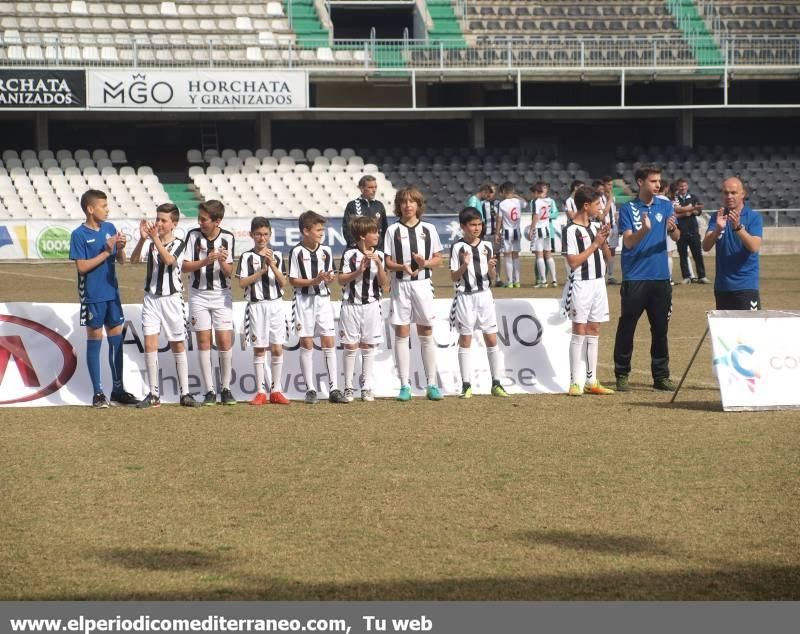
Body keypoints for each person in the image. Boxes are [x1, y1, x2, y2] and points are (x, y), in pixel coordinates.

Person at [69, 189, 139, 408]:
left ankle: (118, 389)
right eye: (103, 206)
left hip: (112, 294)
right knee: (95, 339)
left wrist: (120, 249)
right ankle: (98, 393)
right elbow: (82, 268)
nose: (107, 210)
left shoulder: (110, 228)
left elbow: (122, 261)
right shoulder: (78, 235)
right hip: (92, 296)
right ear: (91, 209)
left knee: (116, 340)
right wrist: (107, 251)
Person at [613, 166, 680, 392]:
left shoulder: (666, 205)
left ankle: (661, 376)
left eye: (659, 181)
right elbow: (629, 242)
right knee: (627, 326)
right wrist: (644, 229)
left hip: (661, 278)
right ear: (641, 182)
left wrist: (672, 230)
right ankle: (622, 373)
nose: (658, 185)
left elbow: (677, 235)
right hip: (635, 277)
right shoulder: (628, 208)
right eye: (653, 181)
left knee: (660, 329)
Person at [130, 203, 200, 408]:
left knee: (177, 344)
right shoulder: (152, 242)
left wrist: (153, 239)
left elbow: (169, 260)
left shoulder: (179, 242)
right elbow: (133, 260)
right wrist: (143, 239)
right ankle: (153, 394)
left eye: (163, 220)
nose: (158, 223)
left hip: (172, 299)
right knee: (150, 344)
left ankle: (185, 393)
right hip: (151, 298)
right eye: (157, 219)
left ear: (174, 224)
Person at [384, 186, 444, 401]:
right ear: (399, 206)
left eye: (412, 201)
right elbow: (388, 262)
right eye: (404, 201)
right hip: (400, 286)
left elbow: (439, 259)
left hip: (422, 285)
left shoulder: (429, 229)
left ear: (419, 205)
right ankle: (404, 386)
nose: (408, 205)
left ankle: (431, 384)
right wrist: (402, 267)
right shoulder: (392, 231)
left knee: (426, 331)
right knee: (401, 332)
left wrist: (424, 262)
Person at [449, 207, 509, 399]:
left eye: (479, 224)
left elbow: (491, 277)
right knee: (465, 339)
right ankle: (466, 385)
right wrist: (465, 265)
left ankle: (496, 383)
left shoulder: (487, 246)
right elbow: (453, 276)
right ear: (463, 227)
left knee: (491, 338)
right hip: (465, 297)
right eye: (473, 225)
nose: (477, 228)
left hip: (484, 295)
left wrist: (492, 269)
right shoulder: (457, 247)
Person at [288, 211, 348, 405]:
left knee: (328, 342)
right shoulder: (297, 252)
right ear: (306, 231)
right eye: (318, 229)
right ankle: (310, 389)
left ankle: (334, 388)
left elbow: (329, 277)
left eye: (323, 229)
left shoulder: (326, 251)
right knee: (306, 343)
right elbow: (293, 280)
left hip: (322, 300)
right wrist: (314, 280)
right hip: (304, 301)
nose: (322, 233)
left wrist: (327, 280)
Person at [183, 200, 237, 406]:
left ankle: (226, 388)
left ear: (217, 221)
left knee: (224, 341)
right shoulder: (193, 236)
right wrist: (206, 260)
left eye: (204, 219)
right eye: (199, 218)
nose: (200, 222)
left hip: (221, 295)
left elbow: (230, 272)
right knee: (203, 341)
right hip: (198, 295)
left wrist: (221, 260)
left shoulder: (228, 237)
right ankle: (209, 391)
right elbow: (185, 267)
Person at [563, 186, 615, 396]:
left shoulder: (595, 227)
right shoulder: (570, 230)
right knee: (579, 331)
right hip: (581, 285)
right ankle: (575, 381)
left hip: (598, 284)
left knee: (594, 330)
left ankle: (591, 380)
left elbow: (608, 258)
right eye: (596, 204)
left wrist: (603, 242)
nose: (600, 208)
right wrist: (595, 244)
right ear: (586, 205)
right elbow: (574, 262)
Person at [236, 217, 290, 406]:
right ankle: (260, 391)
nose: (262, 238)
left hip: (275, 305)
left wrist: (272, 265)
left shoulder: (277, 256)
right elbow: (242, 282)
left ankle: (276, 390)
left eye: (265, 234)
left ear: (270, 235)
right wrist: (260, 271)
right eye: (258, 234)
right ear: (251, 235)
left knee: (277, 347)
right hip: (256, 305)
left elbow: (284, 283)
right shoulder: (246, 257)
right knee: (259, 348)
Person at [338, 215, 388, 402]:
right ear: (362, 236)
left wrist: (379, 265)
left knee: (368, 345)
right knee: (350, 346)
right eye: (373, 232)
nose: (377, 235)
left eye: (377, 231)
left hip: (372, 306)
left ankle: (367, 386)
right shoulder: (350, 254)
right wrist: (359, 270)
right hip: (351, 305)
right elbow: (341, 279)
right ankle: (348, 386)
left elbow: (385, 284)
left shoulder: (380, 254)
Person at [702, 177, 763, 310]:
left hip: (746, 286)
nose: (729, 196)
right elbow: (705, 246)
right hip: (722, 287)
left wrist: (737, 228)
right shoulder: (717, 216)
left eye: (733, 192)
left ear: (743, 194)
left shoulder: (753, 217)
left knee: (749, 329)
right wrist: (718, 229)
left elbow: (754, 246)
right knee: (725, 330)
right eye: (725, 193)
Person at [674, 178, 710, 284]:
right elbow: (674, 212)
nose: (683, 188)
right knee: (683, 255)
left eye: (684, 185)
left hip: (693, 230)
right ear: (677, 187)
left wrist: (693, 212)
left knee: (697, 254)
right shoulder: (675, 199)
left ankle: (702, 276)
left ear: (687, 186)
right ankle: (686, 277)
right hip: (681, 231)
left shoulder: (693, 197)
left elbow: (699, 211)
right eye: (681, 186)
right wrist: (686, 212)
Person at [342, 175, 388, 248]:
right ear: (362, 188)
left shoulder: (379, 205)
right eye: (370, 187)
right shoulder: (352, 205)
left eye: (375, 187)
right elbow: (347, 228)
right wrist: (355, 244)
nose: (374, 190)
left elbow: (385, 228)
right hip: (357, 249)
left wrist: (382, 247)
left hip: (377, 249)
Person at [529, 182, 558, 288]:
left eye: (533, 193)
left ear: (536, 192)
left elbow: (536, 216)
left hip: (539, 229)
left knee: (539, 255)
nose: (533, 195)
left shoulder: (536, 202)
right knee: (549, 254)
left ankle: (543, 281)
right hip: (547, 229)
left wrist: (532, 229)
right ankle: (554, 280)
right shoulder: (548, 201)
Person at [496, 181, 522, 288]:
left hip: (507, 232)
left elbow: (499, 219)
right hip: (517, 231)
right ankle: (517, 281)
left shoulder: (502, 204)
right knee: (515, 255)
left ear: (503, 192)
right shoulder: (518, 201)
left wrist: (497, 233)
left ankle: (510, 281)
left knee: (507, 255)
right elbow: (525, 202)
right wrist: (516, 195)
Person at [599, 176, 620, 285]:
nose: (610, 187)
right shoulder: (599, 198)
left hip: (614, 227)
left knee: (612, 251)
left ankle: (611, 275)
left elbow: (614, 212)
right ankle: (602, 274)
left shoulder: (613, 197)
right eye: (608, 185)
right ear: (603, 185)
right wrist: (610, 200)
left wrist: (618, 223)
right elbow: (604, 213)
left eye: (611, 185)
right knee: (604, 252)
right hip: (604, 227)